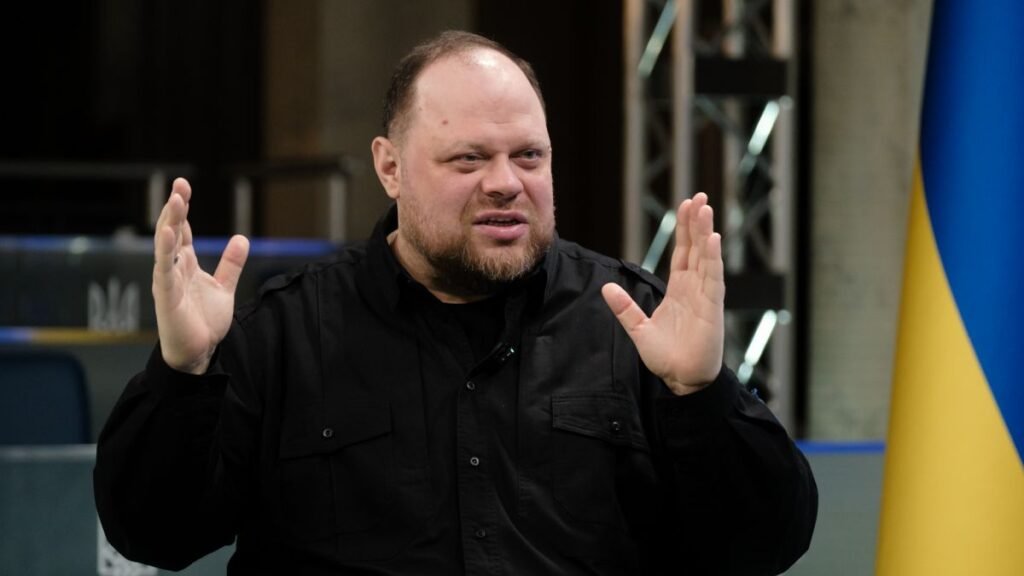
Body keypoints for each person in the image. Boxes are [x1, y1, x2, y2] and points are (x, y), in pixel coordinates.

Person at [94, 30, 816, 575]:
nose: (505, 182)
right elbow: (153, 536)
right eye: (468, 159)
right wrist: (182, 375)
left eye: (529, 156)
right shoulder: (285, 334)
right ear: (389, 167)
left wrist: (702, 395)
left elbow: (767, 545)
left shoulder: (636, 324)